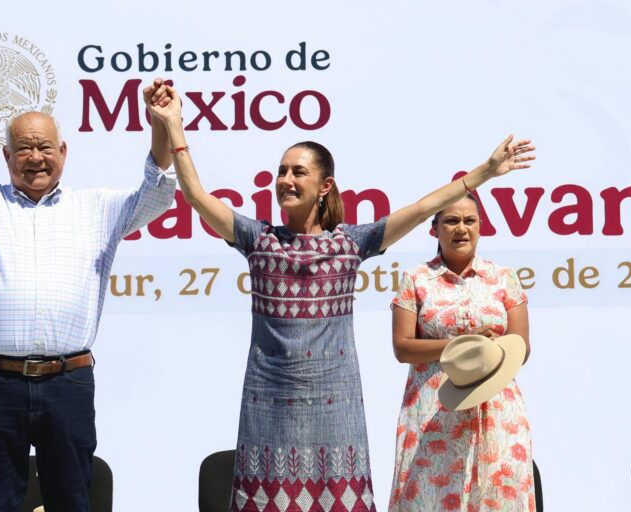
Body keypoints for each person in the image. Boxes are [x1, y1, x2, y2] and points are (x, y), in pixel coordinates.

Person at [145, 81, 535, 512]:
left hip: (336, 408)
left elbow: (424, 208)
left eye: (298, 172)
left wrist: (484, 172)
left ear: (325, 185)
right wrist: (174, 123)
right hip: (269, 404)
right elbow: (196, 196)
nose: (285, 180)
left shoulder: (349, 244)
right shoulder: (258, 240)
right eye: (281, 171)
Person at [0, 67, 177, 512]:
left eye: (45, 147)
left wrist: (161, 123)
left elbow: (156, 192)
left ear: (63, 152)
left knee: (72, 503)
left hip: (68, 382)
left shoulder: (96, 208)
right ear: (6, 155)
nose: (36, 157)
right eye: (24, 148)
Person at [388, 194, 535, 511]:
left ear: (481, 226)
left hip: (497, 409)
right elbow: (402, 347)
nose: (461, 228)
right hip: (433, 409)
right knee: (430, 499)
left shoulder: (503, 277)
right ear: (435, 228)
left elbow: (521, 345)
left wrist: (488, 349)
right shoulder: (416, 278)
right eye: (451, 221)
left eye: (469, 221)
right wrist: (463, 346)